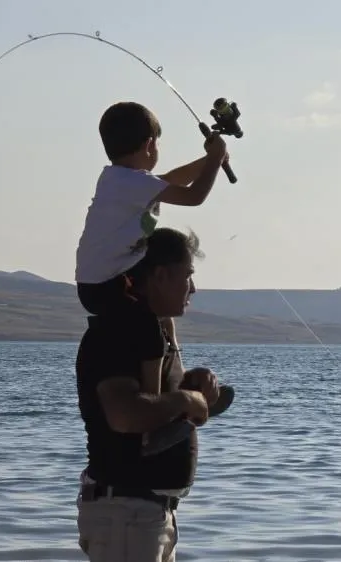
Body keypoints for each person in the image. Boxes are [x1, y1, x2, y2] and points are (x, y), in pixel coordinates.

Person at [74, 101, 227, 448]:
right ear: (149, 145)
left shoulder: (122, 181)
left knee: (159, 322)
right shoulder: (128, 183)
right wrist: (215, 161)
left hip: (102, 280)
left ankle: (168, 395)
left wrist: (208, 161)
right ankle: (155, 419)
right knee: (148, 331)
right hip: (107, 285)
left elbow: (170, 181)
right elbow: (193, 195)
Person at [75, 227, 217, 561]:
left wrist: (192, 388)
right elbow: (125, 415)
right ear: (160, 275)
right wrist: (185, 400)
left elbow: (154, 407)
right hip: (127, 514)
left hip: (147, 514)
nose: (192, 289)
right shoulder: (121, 327)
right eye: (187, 276)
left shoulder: (153, 331)